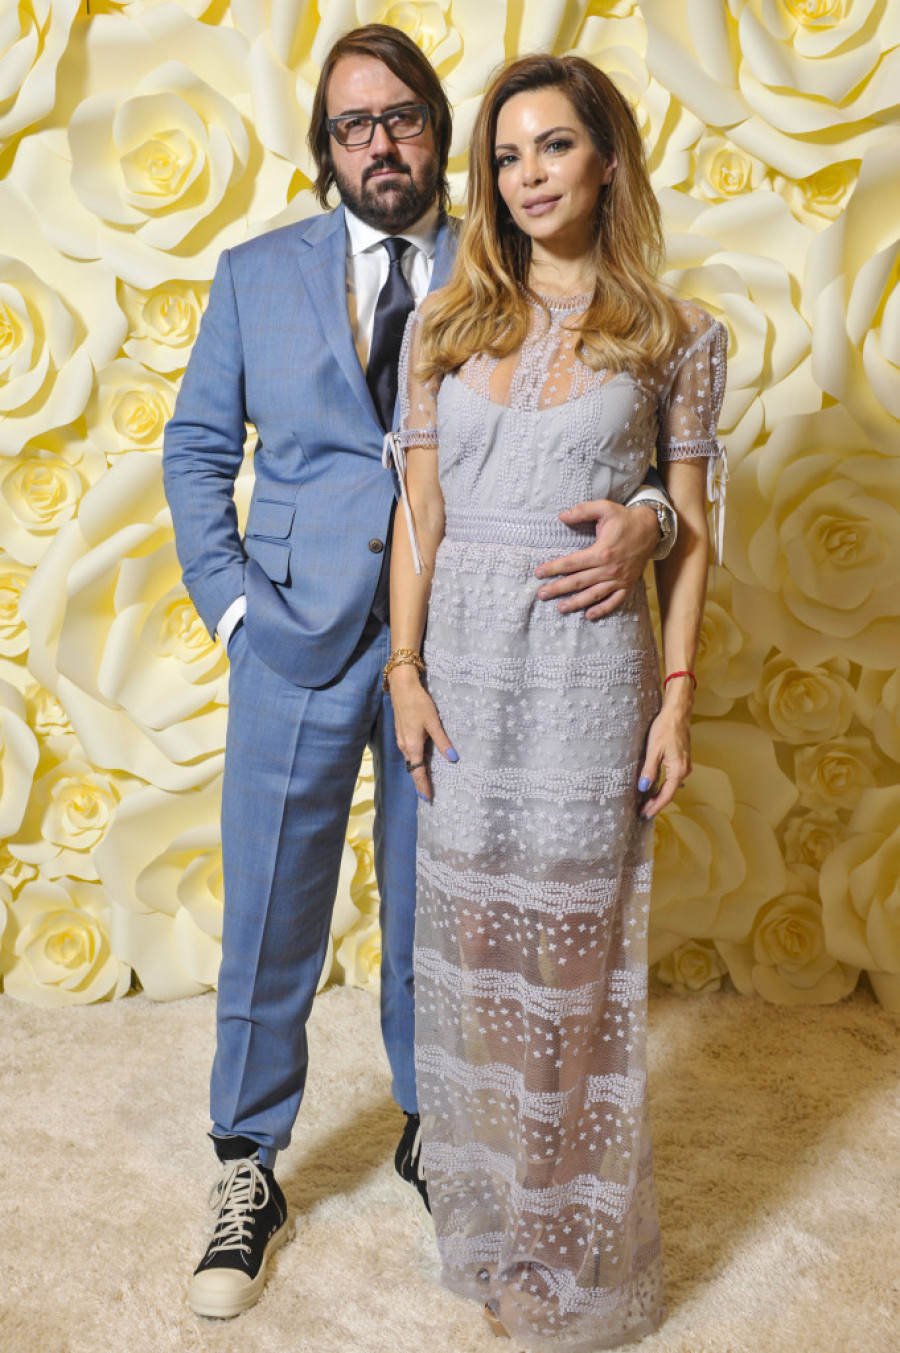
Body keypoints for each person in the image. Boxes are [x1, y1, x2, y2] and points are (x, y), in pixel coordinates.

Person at [163, 25, 676, 1322]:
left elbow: (637, 428)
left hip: (467, 651)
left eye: (401, 117)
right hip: (292, 638)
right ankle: (246, 1162)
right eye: (353, 125)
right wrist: (237, 615)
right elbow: (195, 449)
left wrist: (652, 517)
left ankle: (439, 1130)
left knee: (434, 912)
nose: (379, 143)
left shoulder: (501, 258)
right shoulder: (255, 275)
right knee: (271, 908)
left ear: (440, 132)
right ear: (325, 146)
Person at [386, 53, 725, 1350]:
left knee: (569, 979)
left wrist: (675, 701)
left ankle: (557, 1253)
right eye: (507, 154)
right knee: (476, 960)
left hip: (588, 676)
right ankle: (491, 1230)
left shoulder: (678, 334)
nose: (528, 175)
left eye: (556, 146)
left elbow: (689, 528)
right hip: (461, 678)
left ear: (607, 159)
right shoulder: (444, 323)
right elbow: (420, 512)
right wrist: (403, 670)